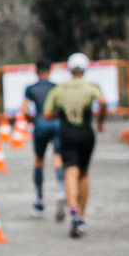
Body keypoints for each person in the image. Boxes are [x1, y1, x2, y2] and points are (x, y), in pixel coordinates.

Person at [43, 53, 105, 239]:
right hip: (86, 132)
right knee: (84, 173)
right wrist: (100, 120)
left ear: (69, 69)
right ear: (85, 69)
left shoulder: (60, 88)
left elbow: (47, 113)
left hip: (67, 133)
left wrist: (60, 115)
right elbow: (102, 102)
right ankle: (83, 215)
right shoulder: (91, 87)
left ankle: (73, 214)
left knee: (70, 171)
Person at [21, 59, 59, 215]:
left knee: (38, 160)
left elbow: (24, 109)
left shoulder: (31, 88)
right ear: (50, 70)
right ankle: (61, 190)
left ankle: (39, 200)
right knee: (58, 158)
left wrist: (32, 119)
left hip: (40, 123)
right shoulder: (55, 87)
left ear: (36, 71)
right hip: (56, 123)